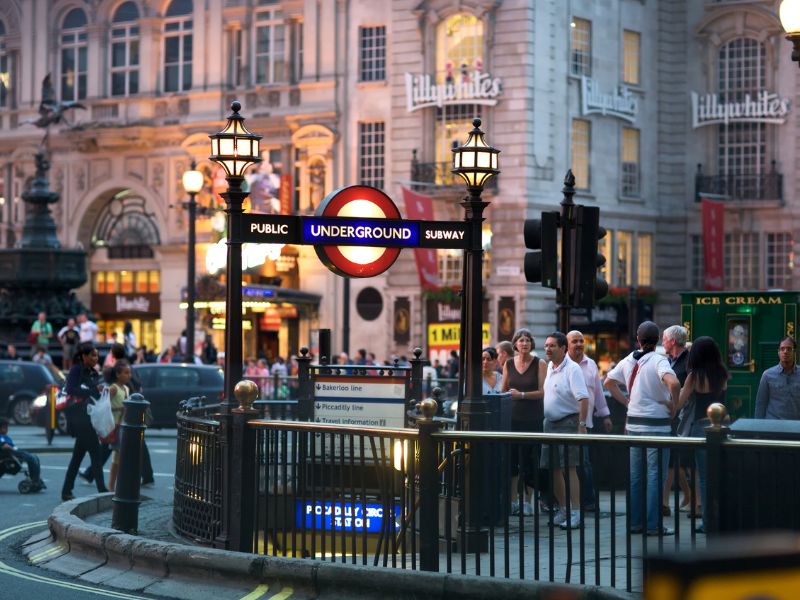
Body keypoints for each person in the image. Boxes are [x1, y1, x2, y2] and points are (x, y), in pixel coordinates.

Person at [604, 321, 680, 536]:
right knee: (655, 475)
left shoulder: (629, 359)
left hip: (634, 424)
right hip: (657, 425)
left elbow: (608, 383)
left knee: (636, 475)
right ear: (657, 340)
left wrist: (628, 402)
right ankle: (654, 525)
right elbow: (674, 384)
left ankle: (635, 523)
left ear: (638, 338)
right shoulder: (659, 359)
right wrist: (674, 406)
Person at [675, 336, 728, 533]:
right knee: (719, 476)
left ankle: (708, 522)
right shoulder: (722, 374)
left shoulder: (694, 377)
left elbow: (679, 403)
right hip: (721, 427)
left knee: (705, 478)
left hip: (701, 428)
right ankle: (721, 519)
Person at [541, 332, 590, 529]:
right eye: (546, 345)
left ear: (562, 348)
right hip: (550, 424)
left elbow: (583, 398)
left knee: (569, 468)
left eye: (552, 346)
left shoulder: (573, 369)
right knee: (553, 468)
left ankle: (576, 512)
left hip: (569, 423)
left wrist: (582, 425)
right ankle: (564, 509)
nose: (547, 349)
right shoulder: (550, 368)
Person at [501, 328, 547, 516]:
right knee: (512, 462)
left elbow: (542, 391)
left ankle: (527, 501)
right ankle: (513, 501)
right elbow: (503, 390)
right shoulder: (509, 364)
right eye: (521, 340)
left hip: (532, 417)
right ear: (515, 344)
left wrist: (520, 394)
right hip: (512, 418)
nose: (524, 343)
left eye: (527, 340)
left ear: (531, 343)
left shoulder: (540, 363)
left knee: (529, 460)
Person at [566, 330, 613, 511]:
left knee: (584, 463)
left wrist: (605, 415)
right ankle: (569, 502)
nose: (579, 344)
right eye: (575, 341)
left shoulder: (591, 364)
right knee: (568, 464)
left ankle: (587, 501)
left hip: (585, 423)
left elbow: (598, 392)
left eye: (581, 341)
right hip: (565, 422)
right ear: (567, 345)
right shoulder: (561, 364)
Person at [62, 342, 108, 501]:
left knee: (78, 456)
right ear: (84, 356)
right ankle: (102, 491)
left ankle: (66, 490)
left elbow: (93, 394)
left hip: (88, 416)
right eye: (93, 355)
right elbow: (70, 390)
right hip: (78, 416)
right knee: (96, 453)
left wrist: (99, 391)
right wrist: (93, 390)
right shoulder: (76, 369)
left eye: (97, 355)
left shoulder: (93, 372)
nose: (96, 358)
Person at [661, 325, 695, 516]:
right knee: (674, 459)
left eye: (664, 339)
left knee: (673, 459)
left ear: (673, 341)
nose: (662, 342)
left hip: (683, 415)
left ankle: (665, 502)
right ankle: (688, 495)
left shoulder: (688, 361)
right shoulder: (668, 360)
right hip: (670, 414)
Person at [755, 336, 800, 420]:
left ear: (794, 352)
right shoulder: (767, 375)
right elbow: (761, 403)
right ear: (778, 352)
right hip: (773, 424)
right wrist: (758, 428)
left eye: (789, 349)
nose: (785, 352)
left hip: (796, 425)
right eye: (782, 349)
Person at [104, 360, 131, 491]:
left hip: (123, 425)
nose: (128, 375)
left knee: (118, 457)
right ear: (118, 374)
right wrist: (119, 409)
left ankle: (113, 486)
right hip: (115, 426)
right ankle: (111, 486)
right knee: (118, 456)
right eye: (126, 373)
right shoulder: (113, 388)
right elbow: (104, 404)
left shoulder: (126, 389)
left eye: (129, 372)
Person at [0, 417, 45, 490]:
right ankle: (35, 480)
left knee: (34, 457)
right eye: (4, 428)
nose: (6, 430)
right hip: (11, 453)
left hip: (15, 451)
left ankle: (35, 478)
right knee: (31, 458)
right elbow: (4, 446)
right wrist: (14, 449)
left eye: (7, 427)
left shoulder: (5, 436)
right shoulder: (1, 437)